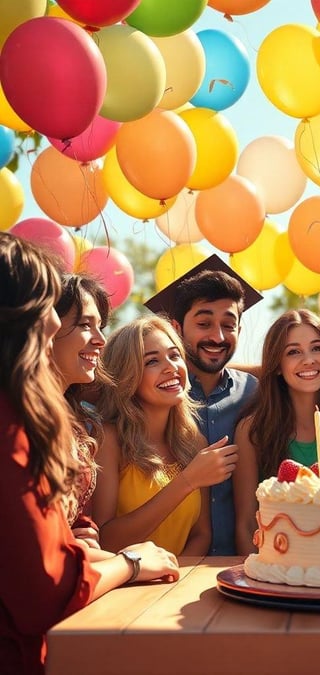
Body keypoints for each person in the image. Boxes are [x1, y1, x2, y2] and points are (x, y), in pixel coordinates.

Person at [0, 233, 179, 675]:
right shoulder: (10, 424)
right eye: (48, 310)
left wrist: (83, 548)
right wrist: (131, 563)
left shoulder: (58, 419)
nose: (50, 325)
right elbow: (45, 586)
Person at [145, 255, 262, 556]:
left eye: (228, 324)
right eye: (204, 323)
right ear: (176, 327)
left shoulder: (254, 394)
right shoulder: (153, 394)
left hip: (240, 564)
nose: (218, 336)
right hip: (168, 568)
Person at [92, 316, 237, 557]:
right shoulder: (109, 440)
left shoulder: (195, 442)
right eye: (152, 361)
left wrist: (172, 579)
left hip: (175, 584)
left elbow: (202, 534)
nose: (171, 367)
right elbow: (106, 541)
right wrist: (187, 481)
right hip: (122, 587)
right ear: (128, 376)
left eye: (174, 355)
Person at [232, 309, 320, 554]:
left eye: (317, 348)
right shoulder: (253, 430)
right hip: (277, 572)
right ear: (277, 366)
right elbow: (246, 523)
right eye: (293, 352)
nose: (308, 359)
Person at [51, 273, 111, 548]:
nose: (100, 340)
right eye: (85, 325)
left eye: (101, 327)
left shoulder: (78, 418)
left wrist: (84, 531)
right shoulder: (15, 418)